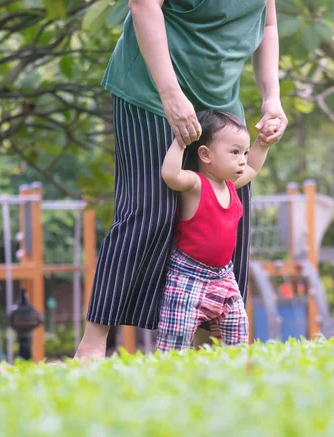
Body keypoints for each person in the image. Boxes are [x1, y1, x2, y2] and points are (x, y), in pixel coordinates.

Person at [75, 0, 288, 359]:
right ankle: (93, 345)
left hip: (221, 104)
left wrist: (273, 98)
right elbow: (143, 4)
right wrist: (171, 95)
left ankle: (213, 350)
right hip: (152, 93)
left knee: (227, 212)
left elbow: (266, 24)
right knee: (149, 211)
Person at [156, 110, 279, 350]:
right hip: (188, 277)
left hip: (224, 276)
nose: (243, 159)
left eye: (244, 152)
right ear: (205, 155)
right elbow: (170, 175)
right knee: (174, 343)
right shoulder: (196, 184)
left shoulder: (231, 186)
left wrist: (262, 144)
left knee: (237, 332)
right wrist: (180, 142)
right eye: (235, 152)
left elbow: (252, 167)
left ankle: (233, 373)